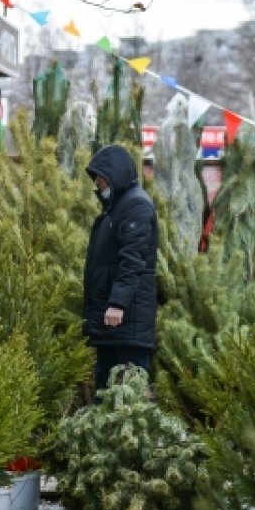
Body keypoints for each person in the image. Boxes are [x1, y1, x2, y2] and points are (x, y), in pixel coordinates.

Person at [82, 144, 159, 393]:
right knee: (105, 387)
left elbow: (133, 259)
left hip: (126, 320)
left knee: (130, 389)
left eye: (101, 180)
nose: (99, 186)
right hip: (112, 322)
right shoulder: (116, 208)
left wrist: (118, 303)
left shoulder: (135, 206)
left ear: (114, 176)